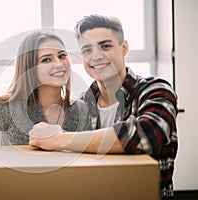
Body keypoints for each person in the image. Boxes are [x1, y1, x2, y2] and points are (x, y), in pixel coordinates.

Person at [29, 15, 178, 199]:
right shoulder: (82, 104)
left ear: (124, 48)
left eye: (105, 46)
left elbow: (146, 134)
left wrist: (60, 139)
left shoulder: (156, 90)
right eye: (87, 50)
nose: (96, 56)